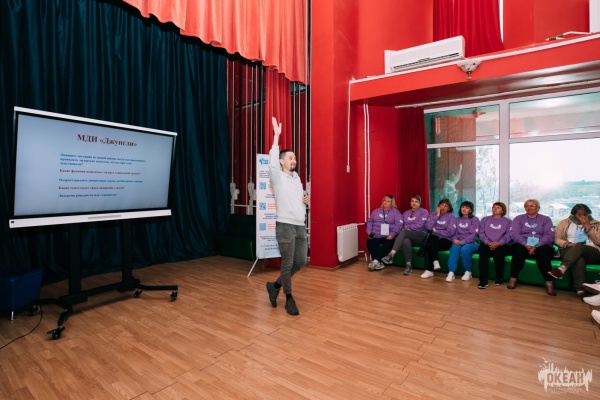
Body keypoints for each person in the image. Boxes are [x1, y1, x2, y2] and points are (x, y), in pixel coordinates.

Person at [265, 117, 310, 316]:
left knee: (301, 262)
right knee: (287, 263)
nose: (294, 160)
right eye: (291, 158)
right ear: (282, 161)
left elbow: (297, 198)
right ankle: (289, 298)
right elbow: (272, 162)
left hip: (300, 225)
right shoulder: (277, 177)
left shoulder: (297, 178)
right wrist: (276, 136)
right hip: (285, 226)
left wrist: (305, 200)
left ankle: (274, 286)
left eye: (295, 158)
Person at [550, 204, 600, 299]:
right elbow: (556, 239)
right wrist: (568, 244)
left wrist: (587, 226)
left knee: (580, 246)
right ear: (574, 214)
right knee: (579, 259)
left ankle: (562, 268)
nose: (582, 217)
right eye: (579, 214)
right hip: (569, 249)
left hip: (591, 252)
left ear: (589, 213)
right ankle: (580, 291)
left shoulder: (596, 224)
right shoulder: (564, 223)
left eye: (585, 214)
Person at [508, 199, 556, 296]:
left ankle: (549, 282)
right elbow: (514, 234)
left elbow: (549, 235)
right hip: (523, 244)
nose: (529, 208)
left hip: (541, 245)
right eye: (527, 206)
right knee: (518, 249)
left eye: (532, 205)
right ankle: (513, 278)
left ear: (538, 207)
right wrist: (525, 244)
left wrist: (537, 245)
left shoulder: (546, 219)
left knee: (543, 252)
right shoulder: (518, 218)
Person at [381, 194, 429, 275]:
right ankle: (408, 266)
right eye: (412, 201)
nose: (414, 203)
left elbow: (420, 225)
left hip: (421, 236)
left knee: (404, 232)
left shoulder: (424, 212)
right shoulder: (406, 213)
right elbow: (401, 225)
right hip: (408, 236)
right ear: (410, 202)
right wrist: (406, 229)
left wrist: (408, 228)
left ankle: (391, 254)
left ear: (419, 203)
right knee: (405, 240)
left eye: (416, 202)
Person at [477, 202, 513, 289]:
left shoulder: (508, 221)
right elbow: (481, 233)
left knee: (498, 254)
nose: (495, 209)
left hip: (502, 244)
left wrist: (499, 243)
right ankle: (483, 279)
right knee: (483, 254)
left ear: (502, 210)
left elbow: (509, 235)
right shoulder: (485, 220)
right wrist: (487, 242)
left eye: (498, 207)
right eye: (493, 207)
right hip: (487, 243)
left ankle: (499, 277)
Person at [421, 198, 456, 279]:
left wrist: (436, 230)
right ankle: (435, 261)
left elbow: (450, 232)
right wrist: (437, 216)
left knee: (431, 244)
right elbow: (428, 227)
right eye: (442, 205)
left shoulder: (451, 216)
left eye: (446, 206)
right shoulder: (434, 214)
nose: (443, 207)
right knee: (432, 238)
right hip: (434, 238)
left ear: (449, 208)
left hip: (446, 240)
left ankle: (429, 270)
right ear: (438, 206)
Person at [366, 195, 403, 271]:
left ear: (392, 203)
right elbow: (370, 221)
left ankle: (375, 261)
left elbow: (399, 225)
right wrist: (369, 231)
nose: (385, 202)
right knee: (370, 242)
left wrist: (392, 234)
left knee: (388, 243)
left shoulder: (395, 212)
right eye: (384, 200)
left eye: (388, 201)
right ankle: (379, 263)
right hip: (376, 234)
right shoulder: (376, 211)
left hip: (388, 235)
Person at [446, 200, 479, 282]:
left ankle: (468, 271)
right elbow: (454, 232)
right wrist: (454, 239)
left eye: (467, 208)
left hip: (472, 243)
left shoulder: (474, 219)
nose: (464, 209)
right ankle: (451, 272)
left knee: (464, 249)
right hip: (458, 242)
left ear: (470, 210)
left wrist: (463, 242)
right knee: (454, 248)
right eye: (463, 207)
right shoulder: (456, 219)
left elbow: (473, 234)